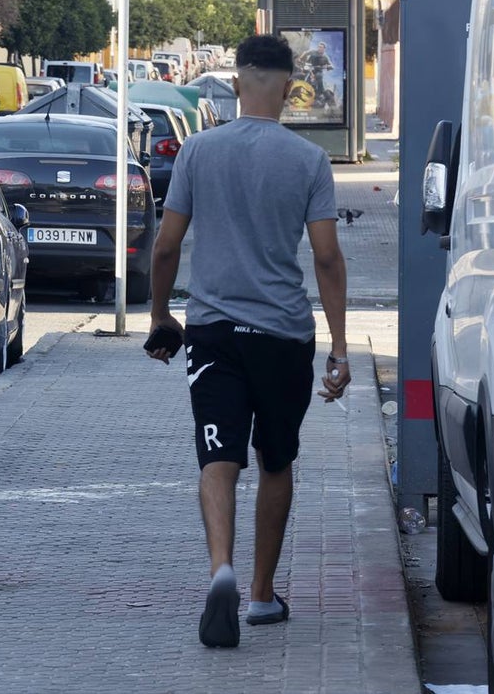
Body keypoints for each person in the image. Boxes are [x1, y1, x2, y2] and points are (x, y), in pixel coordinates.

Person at [146, 34, 349, 649]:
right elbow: (326, 258)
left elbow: (165, 245)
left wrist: (161, 315)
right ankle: (261, 596)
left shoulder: (198, 152)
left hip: (212, 333)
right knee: (275, 460)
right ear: (289, 87)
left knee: (218, 456)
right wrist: (339, 349)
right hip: (284, 335)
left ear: (235, 83)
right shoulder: (309, 162)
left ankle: (221, 571)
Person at [295, 41, 334, 105]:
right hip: (309, 68)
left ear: (324, 49)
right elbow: (306, 52)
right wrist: (300, 58)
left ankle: (320, 94)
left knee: (319, 76)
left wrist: (326, 67)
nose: (319, 48)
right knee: (302, 73)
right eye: (319, 47)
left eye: (321, 47)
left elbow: (331, 66)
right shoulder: (313, 51)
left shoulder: (325, 57)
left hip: (318, 71)